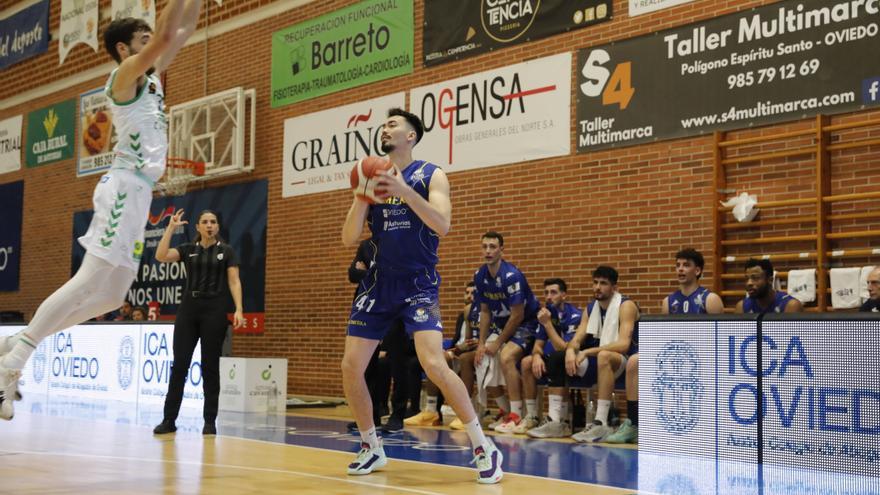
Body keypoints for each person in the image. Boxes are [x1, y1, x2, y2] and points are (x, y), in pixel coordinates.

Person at [0, 4, 201, 420]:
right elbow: (166, 36)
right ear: (124, 48)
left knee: (111, 295)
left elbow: (184, 29)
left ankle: (15, 342)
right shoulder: (124, 78)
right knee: (90, 279)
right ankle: (13, 363)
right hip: (124, 186)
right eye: (143, 41)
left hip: (140, 191)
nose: (154, 46)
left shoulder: (151, 77)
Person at [340, 108, 502, 483]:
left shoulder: (431, 174)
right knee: (351, 366)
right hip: (379, 284)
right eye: (384, 125)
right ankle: (371, 447)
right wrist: (361, 199)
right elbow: (349, 239)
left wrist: (404, 191)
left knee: (434, 363)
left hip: (417, 283)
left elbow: (442, 224)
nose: (386, 128)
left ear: (411, 136)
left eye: (393, 125)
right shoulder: (371, 179)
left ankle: (483, 446)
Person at [152, 209, 245, 435]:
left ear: (218, 227)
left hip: (215, 310)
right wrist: (171, 229)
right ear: (198, 227)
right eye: (205, 222)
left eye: (213, 221)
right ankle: (169, 420)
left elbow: (234, 282)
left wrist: (239, 309)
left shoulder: (227, 251)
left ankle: (209, 422)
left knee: (210, 366)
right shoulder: (187, 249)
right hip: (189, 310)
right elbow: (161, 256)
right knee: (180, 366)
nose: (209, 225)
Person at [541, 266, 639, 443]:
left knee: (604, 356)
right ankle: (556, 421)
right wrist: (571, 350)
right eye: (595, 282)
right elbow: (577, 338)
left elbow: (624, 344)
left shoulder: (626, 306)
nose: (597, 287)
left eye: (603, 283)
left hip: (625, 363)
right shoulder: (591, 308)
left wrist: (586, 351)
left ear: (614, 287)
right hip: (600, 362)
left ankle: (601, 422)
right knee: (557, 357)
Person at [473, 232, 540, 434]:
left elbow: (517, 315)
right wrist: (482, 343)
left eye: (492, 247)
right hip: (501, 325)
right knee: (482, 360)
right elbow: (485, 312)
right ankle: (506, 409)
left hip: (526, 324)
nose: (488, 251)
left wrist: (498, 342)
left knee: (506, 356)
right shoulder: (479, 275)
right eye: (484, 246)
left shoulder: (512, 276)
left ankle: (517, 415)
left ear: (501, 249)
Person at [520, 278, 582, 436]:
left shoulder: (575, 315)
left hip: (574, 360)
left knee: (557, 357)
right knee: (527, 362)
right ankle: (532, 416)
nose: (548, 296)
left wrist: (547, 324)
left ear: (564, 295)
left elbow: (565, 348)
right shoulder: (547, 315)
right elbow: (537, 346)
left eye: (553, 292)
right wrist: (536, 356)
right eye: (546, 293)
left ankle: (559, 420)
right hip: (555, 360)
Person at [736, 259, 803, 314]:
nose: (749, 283)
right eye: (747, 278)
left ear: (770, 280)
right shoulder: (741, 307)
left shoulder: (790, 305)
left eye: (755, 278)